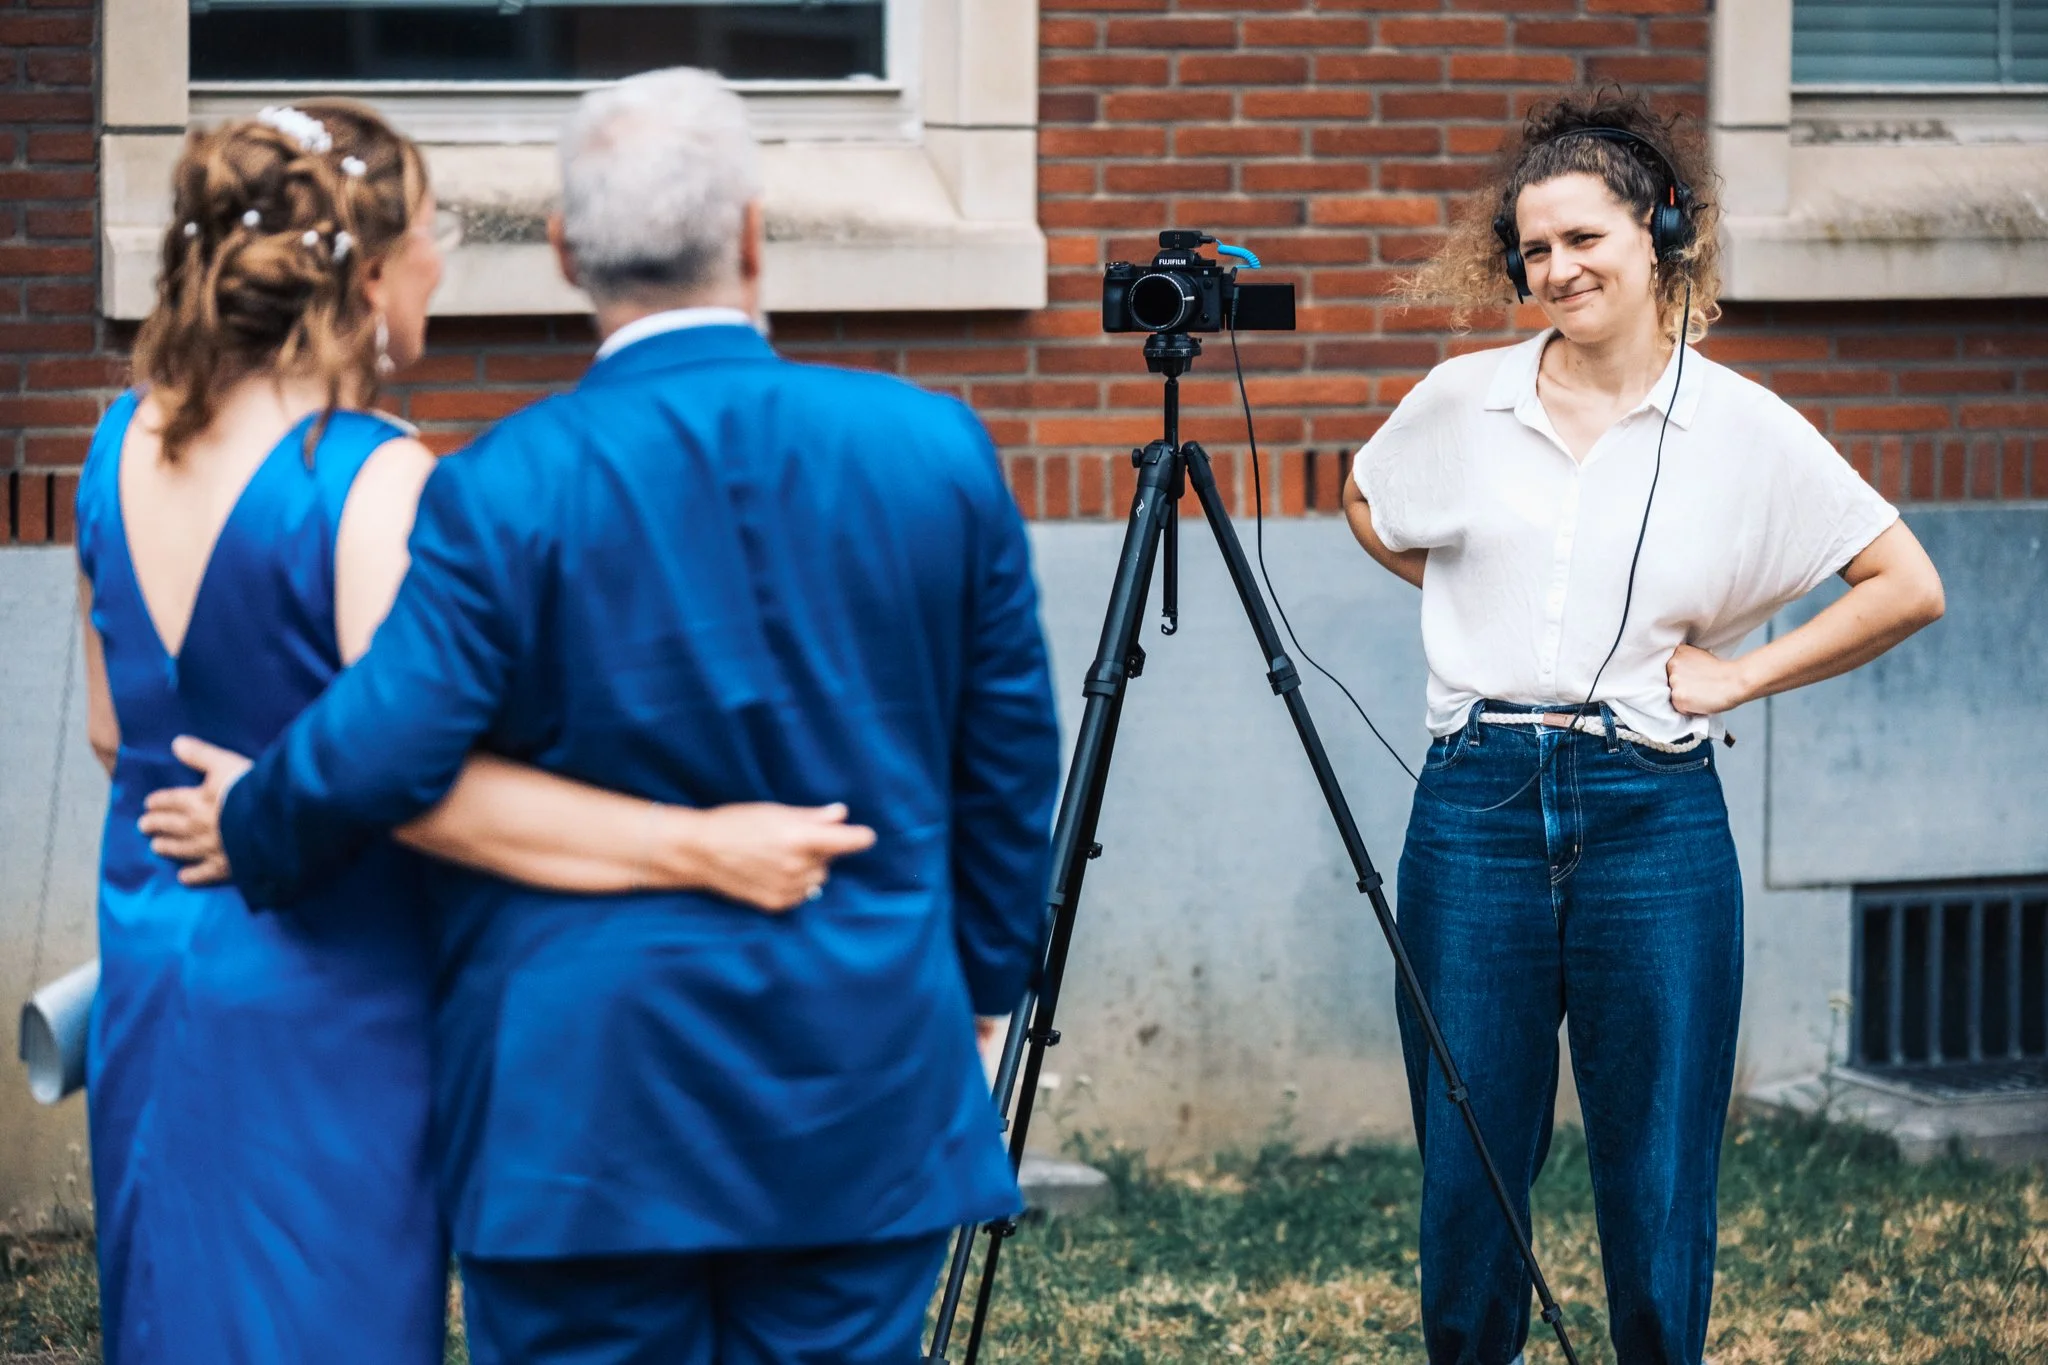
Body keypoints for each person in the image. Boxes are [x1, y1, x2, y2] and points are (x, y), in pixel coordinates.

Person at [154, 68, 1062, 1364]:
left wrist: (254, 819)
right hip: (858, 1067)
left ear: (569, 252)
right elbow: (1008, 769)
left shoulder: (501, 483)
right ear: (751, 236)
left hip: (577, 1111)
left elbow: (390, 741)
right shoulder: (934, 449)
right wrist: (977, 996)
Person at [1342, 89, 1944, 1365]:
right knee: (1468, 1180)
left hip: (1651, 817)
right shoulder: (1461, 402)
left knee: (1659, 1179)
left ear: (1660, 230)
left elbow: (1905, 582)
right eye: (1532, 248)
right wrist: (1462, 597)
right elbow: (1368, 505)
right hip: (1475, 809)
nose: (1552, 270)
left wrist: (1739, 677)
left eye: (1580, 240)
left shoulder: (1739, 428)